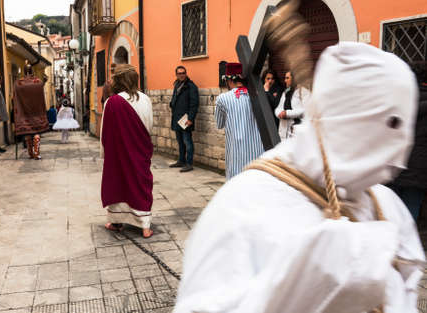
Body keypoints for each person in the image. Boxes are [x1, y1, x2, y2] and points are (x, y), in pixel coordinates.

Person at [174, 43, 425, 313]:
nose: (399, 153)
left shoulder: (384, 203)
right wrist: (299, 284)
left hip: (241, 150)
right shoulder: (242, 207)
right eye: (392, 125)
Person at [101, 64, 154, 238]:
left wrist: (105, 152)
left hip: (118, 153)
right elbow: (149, 125)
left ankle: (116, 221)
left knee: (118, 183)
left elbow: (105, 132)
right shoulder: (145, 99)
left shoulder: (112, 101)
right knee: (141, 184)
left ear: (119, 81)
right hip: (140, 150)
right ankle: (145, 226)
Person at [389, 62, 427, 221]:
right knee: (410, 212)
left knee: (388, 210)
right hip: (419, 170)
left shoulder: (397, 100)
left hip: (393, 163)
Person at [215, 62, 264, 180]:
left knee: (236, 179)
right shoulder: (257, 96)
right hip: (256, 148)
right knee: (255, 179)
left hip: (236, 149)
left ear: (229, 80)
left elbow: (219, 124)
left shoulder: (222, 98)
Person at [13, 62, 49, 160]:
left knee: (28, 133)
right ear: (32, 71)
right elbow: (41, 86)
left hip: (24, 113)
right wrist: (44, 81)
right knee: (36, 132)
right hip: (36, 112)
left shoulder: (19, 83)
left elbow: (15, 94)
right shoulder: (37, 82)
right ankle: (36, 153)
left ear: (24, 71)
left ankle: (30, 153)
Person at [169, 66, 199, 173]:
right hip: (177, 118)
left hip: (186, 120)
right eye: (179, 73)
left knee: (187, 141)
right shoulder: (176, 85)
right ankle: (181, 160)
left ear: (186, 73)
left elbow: (194, 104)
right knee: (180, 142)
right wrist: (171, 104)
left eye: (183, 73)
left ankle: (189, 163)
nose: (181, 75)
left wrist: (191, 118)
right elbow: (175, 98)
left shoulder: (191, 86)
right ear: (176, 74)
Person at [274, 71, 311, 140]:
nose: (285, 80)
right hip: (284, 132)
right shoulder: (286, 92)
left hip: (297, 132)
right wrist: (279, 113)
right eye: (285, 78)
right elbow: (278, 108)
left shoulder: (303, 91)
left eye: (287, 78)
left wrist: (287, 113)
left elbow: (306, 110)